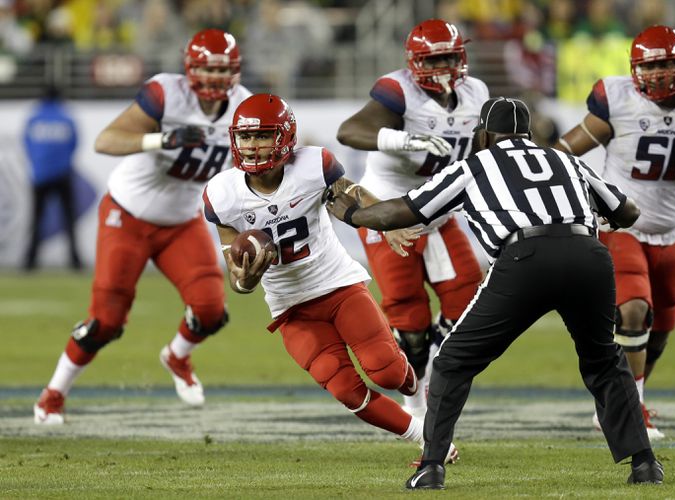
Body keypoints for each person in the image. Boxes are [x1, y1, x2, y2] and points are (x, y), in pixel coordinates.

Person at [328, 97, 664, 489]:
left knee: (453, 361)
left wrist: (351, 215)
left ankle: (431, 466)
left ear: (484, 135)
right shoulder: (565, 160)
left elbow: (401, 211)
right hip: (588, 256)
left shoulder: (475, 165)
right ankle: (644, 464)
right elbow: (628, 212)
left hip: (526, 258)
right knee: (604, 359)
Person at [202, 93, 459, 464]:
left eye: (262, 136)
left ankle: (415, 395)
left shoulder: (312, 166)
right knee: (346, 390)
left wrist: (386, 224)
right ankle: (424, 435)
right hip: (290, 307)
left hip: (337, 285)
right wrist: (247, 278)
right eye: (245, 137)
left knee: (386, 371)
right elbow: (237, 279)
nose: (252, 146)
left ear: (286, 137)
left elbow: (348, 197)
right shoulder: (222, 195)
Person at [33, 28, 251, 425]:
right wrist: (162, 139)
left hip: (182, 221)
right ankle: (52, 395)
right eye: (209, 70)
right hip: (127, 214)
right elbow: (106, 140)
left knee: (210, 308)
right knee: (106, 320)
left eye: (225, 71)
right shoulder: (166, 93)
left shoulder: (246, 108)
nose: (218, 80)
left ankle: (177, 356)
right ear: (190, 68)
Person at [555, 25, 675, 439]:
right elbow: (565, 151)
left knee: (661, 324)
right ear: (634, 69)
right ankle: (631, 409)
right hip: (621, 226)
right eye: (650, 66)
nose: (658, 74)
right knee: (632, 309)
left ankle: (618, 398)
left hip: (669, 233)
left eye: (665, 64)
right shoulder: (617, 98)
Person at [336, 18, 488, 417]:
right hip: (390, 214)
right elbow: (349, 131)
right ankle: (415, 402)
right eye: (435, 59)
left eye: (450, 57)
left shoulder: (476, 93)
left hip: (438, 214)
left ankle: (438, 360)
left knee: (470, 302)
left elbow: (479, 152)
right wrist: (404, 138)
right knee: (409, 322)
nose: (445, 66)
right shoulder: (398, 89)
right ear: (417, 62)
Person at [23, 85, 82, 271]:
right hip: (63, 174)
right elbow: (74, 143)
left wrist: (38, 164)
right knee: (69, 220)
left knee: (36, 220)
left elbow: (26, 144)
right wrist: (63, 163)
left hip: (40, 175)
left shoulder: (34, 118)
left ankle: (30, 261)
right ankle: (75, 261)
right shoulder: (66, 118)